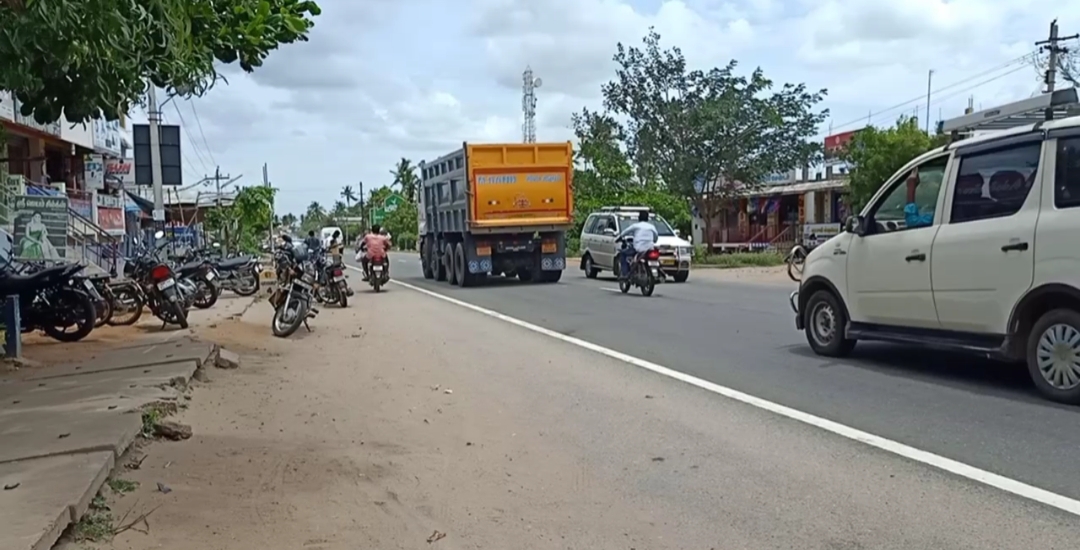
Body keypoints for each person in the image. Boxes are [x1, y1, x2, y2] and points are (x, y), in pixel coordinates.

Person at [615, 210, 659, 280]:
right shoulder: (652, 227)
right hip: (650, 248)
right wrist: (653, 241)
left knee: (623, 254)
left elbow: (625, 232)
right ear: (647, 218)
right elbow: (656, 237)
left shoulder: (636, 226)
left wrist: (618, 238)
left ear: (639, 218)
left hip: (639, 249)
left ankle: (625, 274)